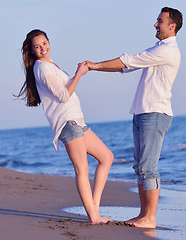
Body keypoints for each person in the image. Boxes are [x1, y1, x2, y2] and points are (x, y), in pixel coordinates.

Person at [83, 7, 183, 228]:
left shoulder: (168, 51)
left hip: (155, 114)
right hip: (142, 112)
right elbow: (125, 68)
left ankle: (150, 218)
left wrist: (94, 65)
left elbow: (129, 60)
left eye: (159, 21)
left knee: (149, 167)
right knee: (140, 167)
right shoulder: (158, 48)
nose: (155, 24)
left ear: (172, 26)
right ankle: (143, 215)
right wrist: (95, 69)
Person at [16, 29, 113, 224]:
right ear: (32, 51)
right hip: (67, 123)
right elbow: (64, 95)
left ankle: (94, 207)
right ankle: (93, 216)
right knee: (82, 169)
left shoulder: (51, 65)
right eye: (37, 46)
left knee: (107, 157)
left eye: (45, 43)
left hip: (78, 121)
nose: (43, 48)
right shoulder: (42, 68)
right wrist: (79, 74)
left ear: (49, 42)